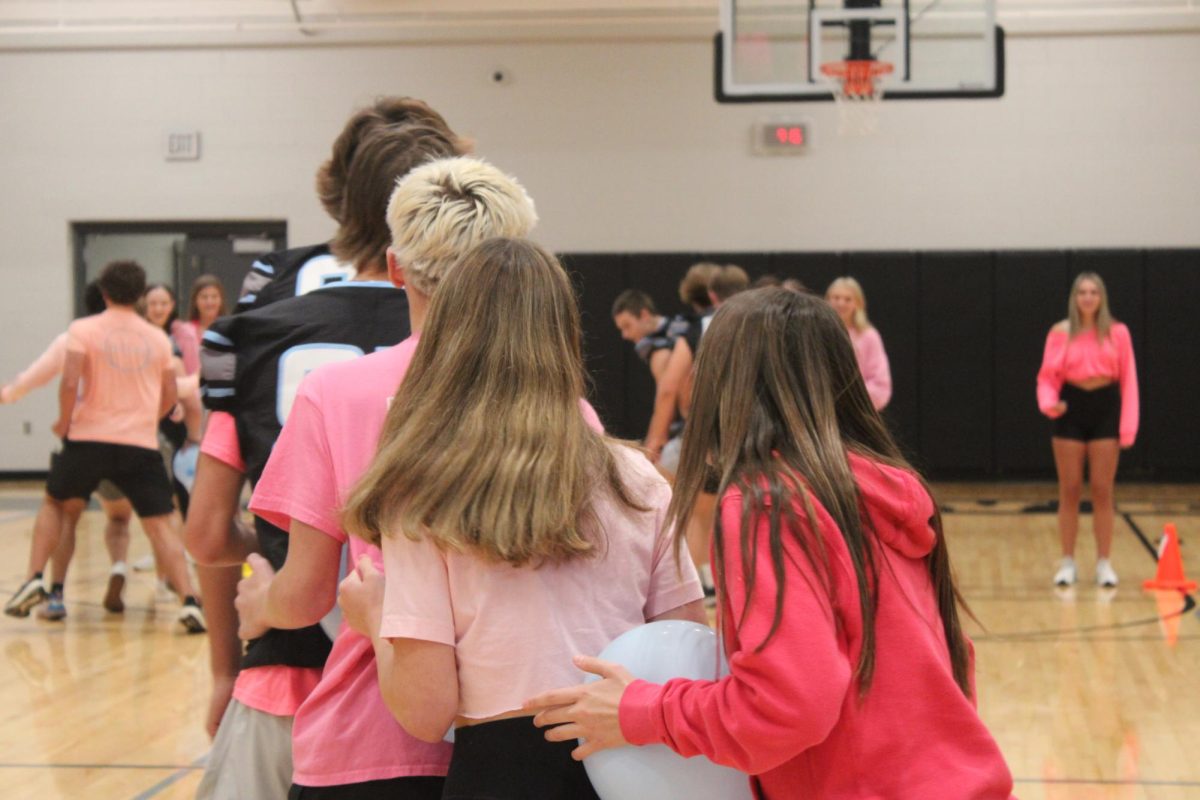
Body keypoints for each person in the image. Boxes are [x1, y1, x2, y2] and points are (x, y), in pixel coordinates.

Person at [525, 288, 1016, 800]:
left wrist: (644, 711)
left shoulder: (768, 502)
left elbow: (788, 703)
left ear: (724, 383)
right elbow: (956, 664)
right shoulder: (892, 485)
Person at [336, 237, 705, 800]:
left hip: (500, 774)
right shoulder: (639, 480)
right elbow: (687, 655)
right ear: (564, 337)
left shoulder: (421, 495)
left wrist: (376, 620)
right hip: (634, 769)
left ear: (448, 340)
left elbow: (425, 710)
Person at [186, 101, 469, 800]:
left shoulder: (251, 333)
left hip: (292, 666)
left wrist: (288, 551)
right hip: (447, 691)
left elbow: (206, 531)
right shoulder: (495, 347)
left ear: (338, 199)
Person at [238, 157, 543, 799]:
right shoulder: (565, 410)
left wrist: (258, 603)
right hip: (518, 740)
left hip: (374, 737)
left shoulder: (336, 394)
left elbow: (306, 593)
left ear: (397, 268)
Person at [4, 261, 203, 632]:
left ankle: (37, 578)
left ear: (105, 291)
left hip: (88, 438)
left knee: (55, 504)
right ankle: (190, 600)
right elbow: (170, 394)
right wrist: (150, 419)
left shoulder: (82, 329)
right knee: (160, 524)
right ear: (141, 295)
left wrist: (64, 422)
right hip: (139, 444)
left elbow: (69, 382)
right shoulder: (158, 339)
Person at [1, 281, 133, 618]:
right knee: (133, 518)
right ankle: (136, 574)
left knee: (64, 514)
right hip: (129, 443)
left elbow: (36, 377)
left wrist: (9, 394)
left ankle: (55, 593)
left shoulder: (74, 338)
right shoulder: (139, 340)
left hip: (81, 443)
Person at [1037, 272, 1138, 588]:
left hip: (1105, 407)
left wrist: (1128, 427)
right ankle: (1067, 562)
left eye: (1094, 292)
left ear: (1102, 297)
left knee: (1102, 489)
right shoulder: (1060, 332)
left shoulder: (1118, 333)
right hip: (1071, 408)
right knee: (1069, 489)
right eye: (1082, 292)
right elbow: (1047, 377)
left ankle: (1104, 563)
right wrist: (1049, 403)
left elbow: (1129, 381)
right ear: (1075, 297)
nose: (1088, 297)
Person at [826, 276, 891, 411]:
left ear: (858, 303)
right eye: (836, 297)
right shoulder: (818, 333)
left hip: (856, 413)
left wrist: (849, 399)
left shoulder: (869, 336)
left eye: (847, 299)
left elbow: (880, 384)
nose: (841, 303)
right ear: (826, 300)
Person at [184, 274, 227, 340]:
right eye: (204, 297)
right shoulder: (185, 332)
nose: (209, 302)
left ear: (221, 300)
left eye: (214, 297)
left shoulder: (231, 330)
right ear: (195, 301)